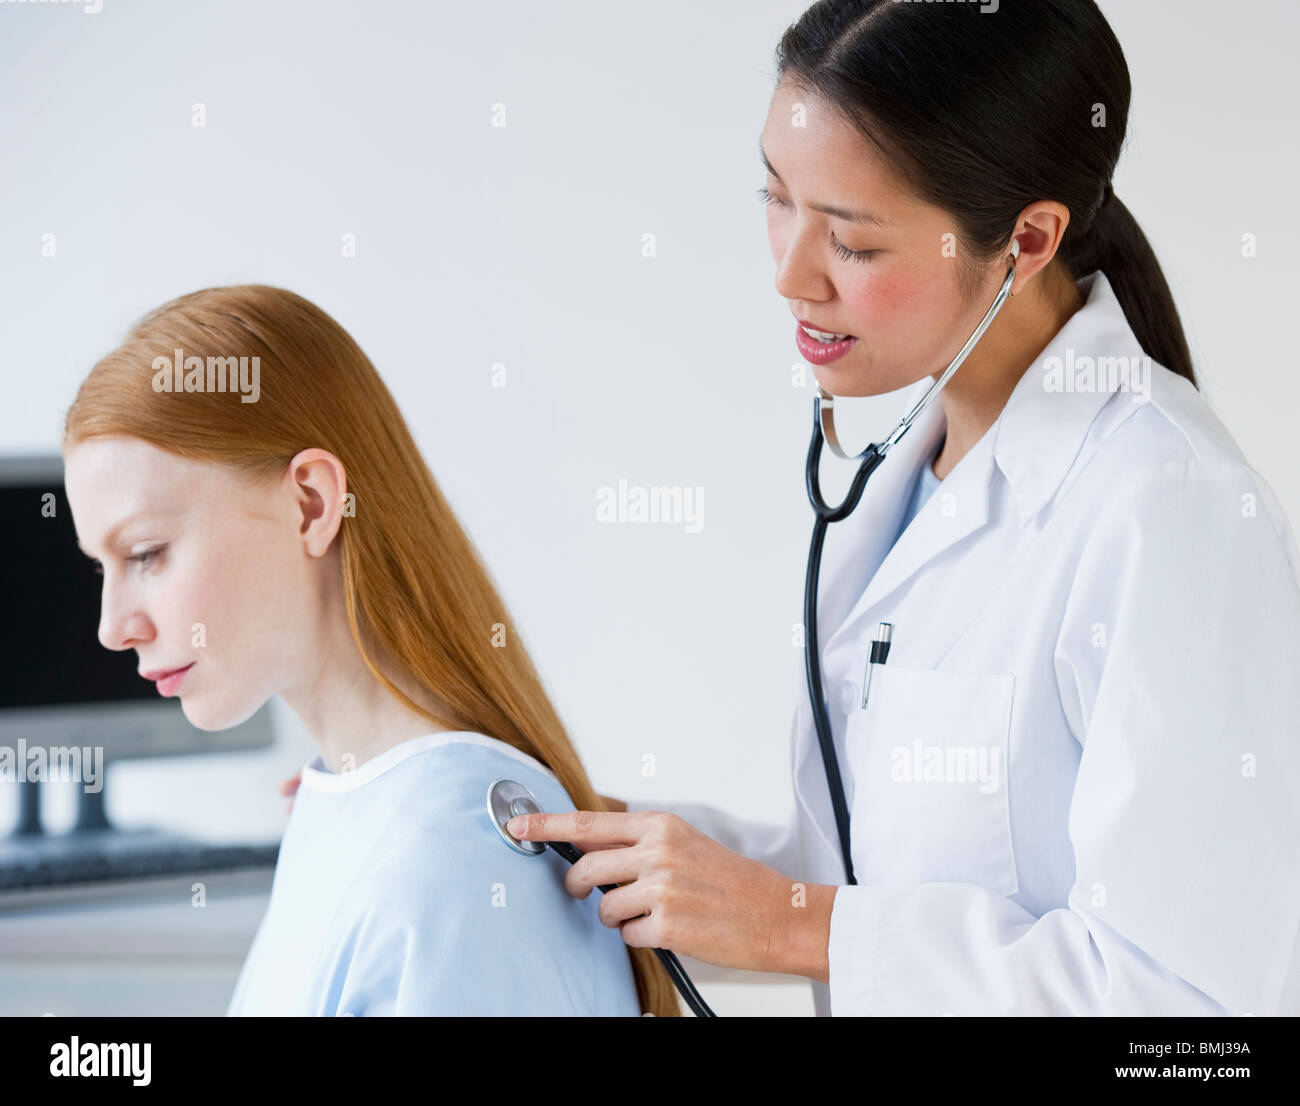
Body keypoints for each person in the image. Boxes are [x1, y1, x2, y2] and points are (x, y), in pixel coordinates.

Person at [508, 0, 1300, 1016]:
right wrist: (557, 833)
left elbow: (1199, 1014)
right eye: (775, 196)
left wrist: (797, 922)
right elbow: (870, 874)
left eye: (851, 240)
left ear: (1025, 239)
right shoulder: (912, 469)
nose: (790, 274)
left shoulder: (1168, 509)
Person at [62, 285, 677, 1016]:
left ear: (312, 505)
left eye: (147, 552)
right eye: (103, 568)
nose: (111, 627)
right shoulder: (355, 814)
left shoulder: (449, 864)